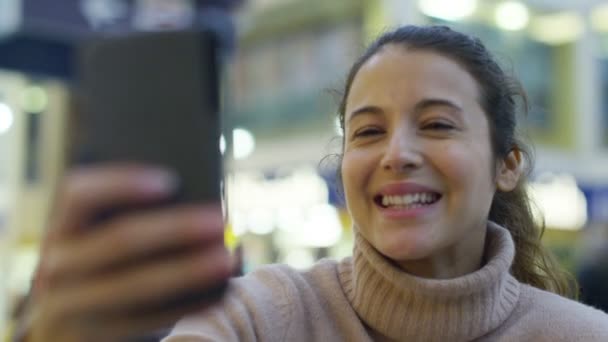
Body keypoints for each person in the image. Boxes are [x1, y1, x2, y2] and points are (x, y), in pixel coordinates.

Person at [21, 25, 608, 341]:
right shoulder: (258, 316)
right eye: (368, 131)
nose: (397, 154)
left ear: (507, 164)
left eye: (436, 124)